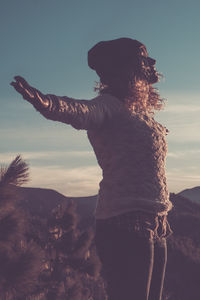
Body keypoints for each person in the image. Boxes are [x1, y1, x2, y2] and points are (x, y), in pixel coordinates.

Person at [11, 37, 173, 300]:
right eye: (143, 58)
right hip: (126, 224)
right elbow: (80, 111)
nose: (152, 62)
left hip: (157, 223)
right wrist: (48, 104)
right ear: (126, 67)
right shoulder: (108, 105)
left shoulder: (139, 112)